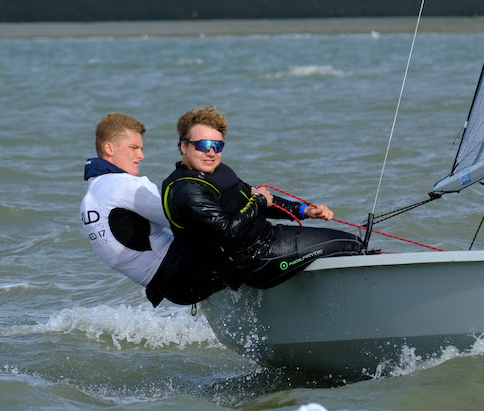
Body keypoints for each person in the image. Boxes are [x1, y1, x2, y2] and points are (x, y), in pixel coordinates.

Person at [160, 105, 363, 290]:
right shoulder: (187, 190)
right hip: (254, 260)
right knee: (352, 244)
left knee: (345, 241)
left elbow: (260, 198)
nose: (212, 153)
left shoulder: (216, 172)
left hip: (269, 240)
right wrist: (258, 201)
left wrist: (304, 210)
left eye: (218, 146)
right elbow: (228, 230)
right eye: (203, 145)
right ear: (184, 146)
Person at [80, 112, 228, 307]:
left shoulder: (90, 197)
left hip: (168, 288)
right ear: (109, 148)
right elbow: (187, 220)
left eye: (141, 148)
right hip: (187, 274)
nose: (141, 155)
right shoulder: (124, 185)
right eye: (134, 148)